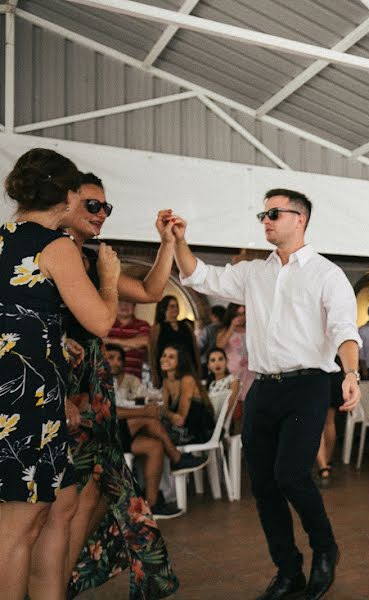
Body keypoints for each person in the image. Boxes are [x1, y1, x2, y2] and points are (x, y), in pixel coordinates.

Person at [173, 187, 363, 600]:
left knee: (291, 474)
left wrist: (350, 372)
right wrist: (178, 241)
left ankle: (325, 549)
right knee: (263, 484)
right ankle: (288, 571)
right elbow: (200, 275)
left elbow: (345, 330)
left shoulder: (326, 274)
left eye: (275, 213)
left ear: (301, 219)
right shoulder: (253, 273)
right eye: (263, 213)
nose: (266, 220)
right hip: (263, 387)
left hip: (309, 384)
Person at [0, 148, 120, 600]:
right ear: (67, 197)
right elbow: (102, 322)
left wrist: (42, 335)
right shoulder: (57, 246)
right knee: (17, 528)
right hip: (24, 398)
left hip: (17, 390)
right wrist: (107, 276)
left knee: (50, 508)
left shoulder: (1, 238)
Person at [61, 172, 180, 598]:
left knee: (96, 491)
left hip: (96, 385)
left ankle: (58, 579)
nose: (101, 215)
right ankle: (49, 582)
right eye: (93, 205)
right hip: (63, 384)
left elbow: (150, 289)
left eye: (106, 208)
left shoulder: (95, 260)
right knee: (66, 496)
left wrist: (166, 244)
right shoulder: (51, 255)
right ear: (67, 202)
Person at [106, 344, 204, 519]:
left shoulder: (112, 380)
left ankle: (151, 504)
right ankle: (176, 457)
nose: (116, 363)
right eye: (110, 358)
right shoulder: (98, 380)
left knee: (155, 446)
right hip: (104, 433)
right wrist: (145, 410)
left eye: (119, 359)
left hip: (120, 431)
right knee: (148, 419)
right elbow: (109, 411)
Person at [158, 344, 214, 445]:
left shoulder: (187, 380)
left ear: (180, 361)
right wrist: (167, 413)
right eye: (164, 355)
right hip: (179, 429)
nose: (165, 359)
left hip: (196, 431)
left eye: (171, 357)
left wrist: (164, 412)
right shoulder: (166, 382)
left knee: (152, 436)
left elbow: (180, 418)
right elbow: (166, 412)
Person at [150, 295, 200, 387]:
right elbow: (153, 353)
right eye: (172, 306)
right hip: (167, 370)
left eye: (177, 306)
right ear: (164, 308)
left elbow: (194, 349)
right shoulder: (157, 328)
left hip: (188, 368)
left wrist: (198, 369)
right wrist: (154, 375)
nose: (175, 309)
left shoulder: (186, 326)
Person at [216, 303, 254, 407]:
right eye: (237, 314)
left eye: (243, 314)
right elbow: (219, 346)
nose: (241, 318)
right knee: (233, 407)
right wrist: (232, 327)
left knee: (248, 404)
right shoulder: (225, 330)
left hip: (249, 373)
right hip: (233, 374)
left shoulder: (250, 329)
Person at [105, 301, 151, 379]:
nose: (124, 305)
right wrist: (133, 344)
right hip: (106, 377)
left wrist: (111, 341)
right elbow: (100, 342)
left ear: (134, 306)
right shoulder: (105, 323)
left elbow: (145, 341)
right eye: (120, 302)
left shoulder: (143, 325)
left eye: (129, 302)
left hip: (134, 379)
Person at [205, 347, 240, 422]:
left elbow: (228, 408)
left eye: (220, 359)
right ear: (208, 365)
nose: (217, 363)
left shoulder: (233, 381)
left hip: (221, 424)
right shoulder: (209, 384)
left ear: (226, 361)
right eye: (213, 360)